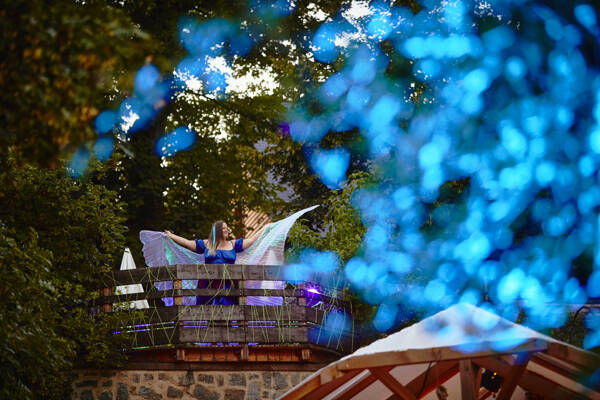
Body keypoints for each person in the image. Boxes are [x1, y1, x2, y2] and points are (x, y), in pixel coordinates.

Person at [164, 221, 266, 304]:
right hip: (208, 284)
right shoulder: (206, 244)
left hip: (228, 284)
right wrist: (170, 235)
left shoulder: (233, 244)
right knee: (209, 312)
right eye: (223, 228)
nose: (226, 230)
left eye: (227, 228)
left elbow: (252, 240)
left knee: (229, 312)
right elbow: (186, 242)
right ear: (216, 231)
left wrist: (265, 228)